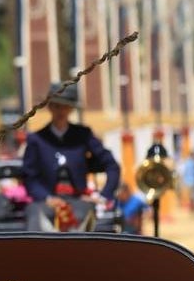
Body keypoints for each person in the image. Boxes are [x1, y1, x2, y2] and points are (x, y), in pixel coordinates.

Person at [21, 81, 120, 231]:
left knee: (81, 218)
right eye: (56, 106)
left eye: (66, 107)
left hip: (78, 200)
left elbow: (111, 165)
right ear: (50, 107)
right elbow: (29, 176)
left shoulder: (83, 135)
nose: (61, 111)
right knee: (36, 218)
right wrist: (47, 198)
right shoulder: (37, 139)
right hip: (46, 201)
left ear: (72, 109)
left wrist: (103, 196)